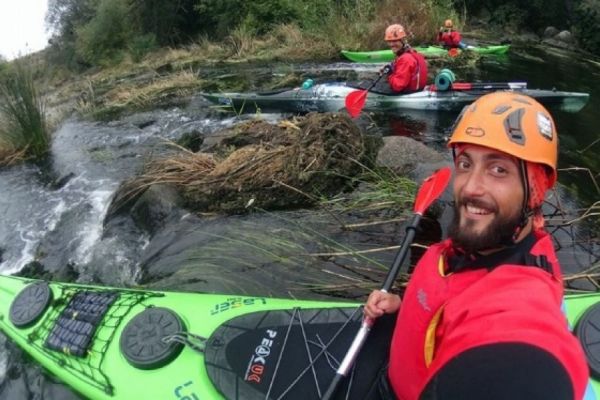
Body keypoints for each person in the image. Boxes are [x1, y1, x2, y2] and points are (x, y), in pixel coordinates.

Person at [364, 92, 590, 400]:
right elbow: (447, 299)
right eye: (465, 163)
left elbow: (522, 363)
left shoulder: (519, 303)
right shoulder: (479, 243)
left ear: (536, 190)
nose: (470, 187)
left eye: (498, 170)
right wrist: (401, 308)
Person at [379, 24, 428, 94]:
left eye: (395, 41)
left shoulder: (406, 59)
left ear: (403, 41)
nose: (391, 44)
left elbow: (397, 86)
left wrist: (389, 74)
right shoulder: (410, 53)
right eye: (389, 41)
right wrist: (389, 70)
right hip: (415, 92)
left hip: (408, 94)